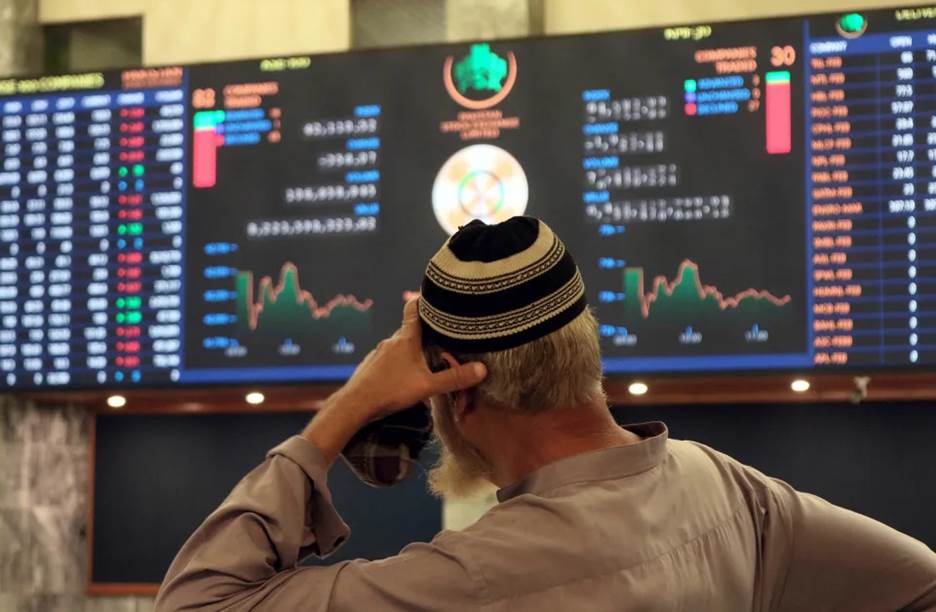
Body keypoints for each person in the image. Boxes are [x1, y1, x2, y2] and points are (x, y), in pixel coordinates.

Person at [155, 217, 936, 611]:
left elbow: (198, 601)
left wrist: (343, 414)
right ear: (584, 350)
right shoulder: (729, 491)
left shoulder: (470, 578)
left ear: (455, 391)